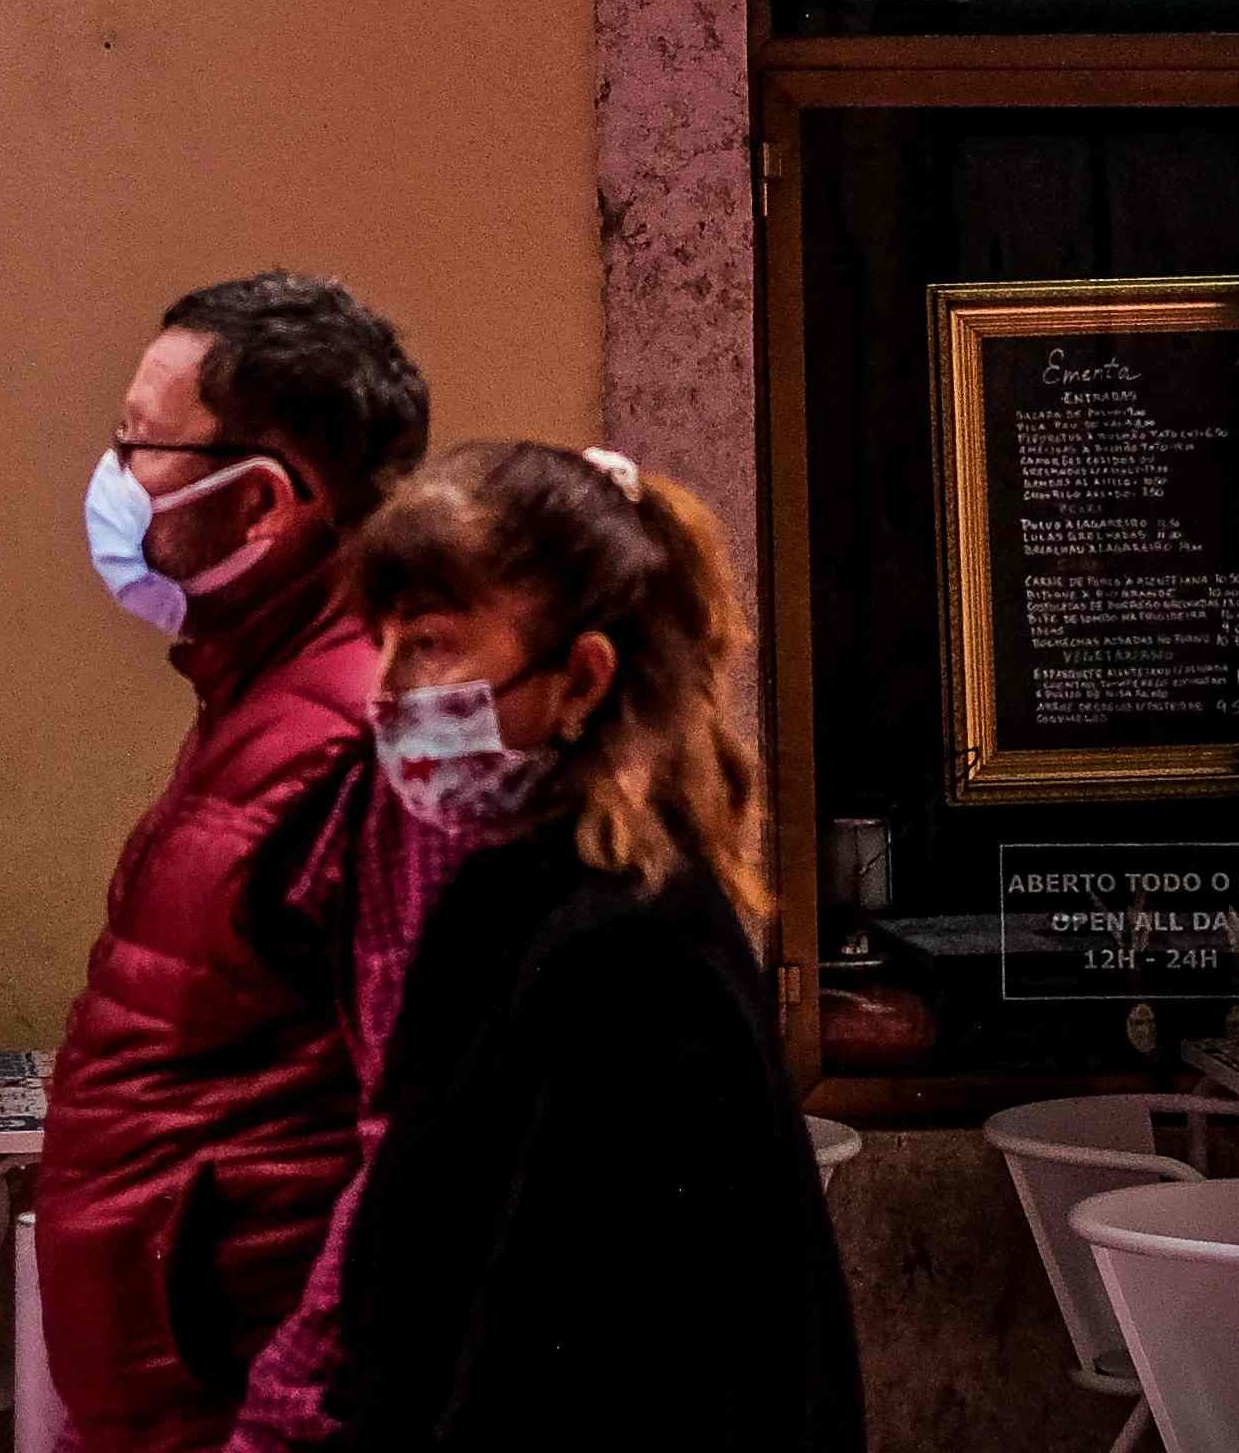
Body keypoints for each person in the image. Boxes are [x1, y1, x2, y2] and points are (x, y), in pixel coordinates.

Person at [305, 440, 863, 1453]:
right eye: (380, 643)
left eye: (428, 643)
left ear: (579, 680)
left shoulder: (630, 954)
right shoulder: (516, 898)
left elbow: (575, 1361)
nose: (383, 691)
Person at [40, 272, 435, 1453]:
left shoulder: (362, 736)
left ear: (261, 503)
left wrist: (279, 1426)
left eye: (139, 445)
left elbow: (424, 1147)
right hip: (172, 1408)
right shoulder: (257, 692)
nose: (111, 479)